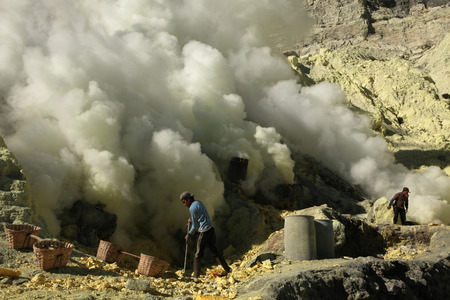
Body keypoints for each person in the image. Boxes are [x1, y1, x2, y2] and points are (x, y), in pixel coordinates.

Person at [180, 191, 231, 279]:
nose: (184, 205)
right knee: (214, 251)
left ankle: (196, 276)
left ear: (188, 199)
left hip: (203, 232)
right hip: (211, 229)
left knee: (197, 254)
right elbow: (201, 217)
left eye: (184, 202)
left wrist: (189, 234)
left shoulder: (192, 208)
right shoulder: (198, 203)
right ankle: (228, 269)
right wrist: (192, 221)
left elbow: (195, 225)